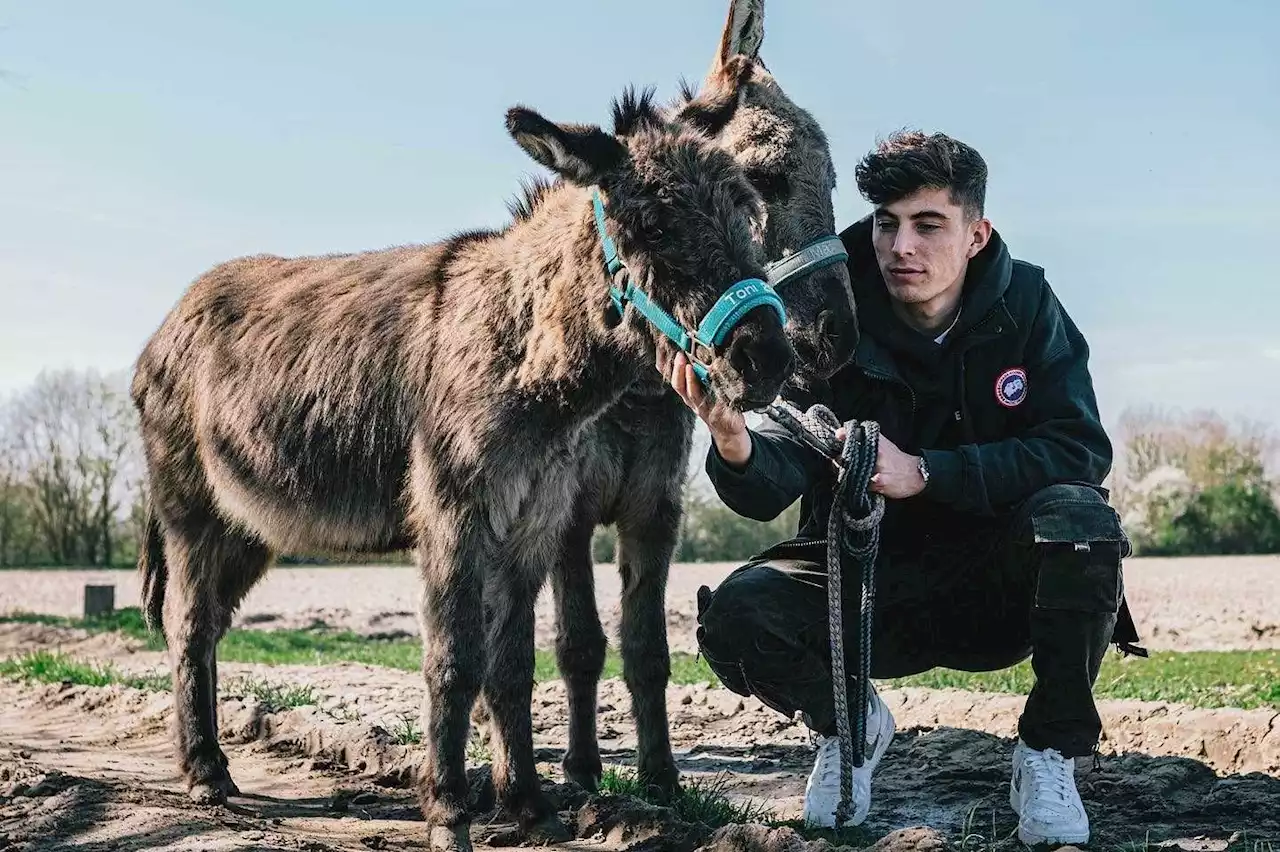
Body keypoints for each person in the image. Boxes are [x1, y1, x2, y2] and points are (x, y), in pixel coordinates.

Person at [659, 130, 1144, 847]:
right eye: (886, 223)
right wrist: (733, 442)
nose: (900, 247)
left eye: (927, 225)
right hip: (862, 585)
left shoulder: (1030, 304)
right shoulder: (828, 312)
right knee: (735, 616)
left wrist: (926, 473)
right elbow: (772, 480)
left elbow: (1078, 449)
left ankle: (1047, 754)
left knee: (1081, 521)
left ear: (977, 234)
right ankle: (849, 727)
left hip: (995, 584)